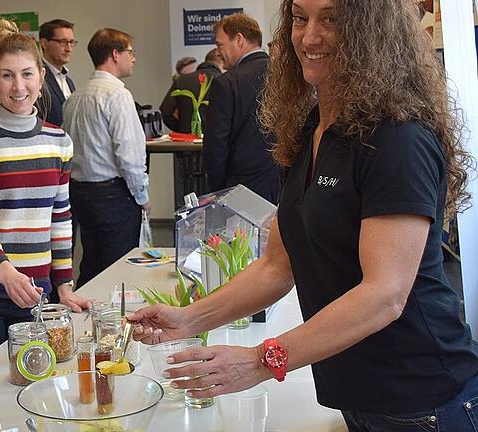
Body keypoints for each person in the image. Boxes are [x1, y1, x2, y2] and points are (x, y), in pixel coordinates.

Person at [129, 1, 478, 430]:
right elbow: (279, 264)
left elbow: (384, 294)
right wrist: (190, 318)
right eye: (300, 18)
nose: (309, 37)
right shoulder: (315, 127)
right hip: (357, 392)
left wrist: (261, 360)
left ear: (372, 30)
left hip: (421, 398)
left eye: (331, 19)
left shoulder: (396, 137)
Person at [0, 19, 90, 368]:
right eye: (7, 75)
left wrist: (64, 284)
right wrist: (6, 272)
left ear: (41, 77)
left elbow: (60, 217)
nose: (18, 86)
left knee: (34, 382)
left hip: (34, 291)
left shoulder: (58, 140)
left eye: (27, 74)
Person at [62, 28, 151, 288]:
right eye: (130, 52)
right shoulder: (118, 95)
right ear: (115, 54)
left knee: (91, 262)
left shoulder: (74, 97)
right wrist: (143, 197)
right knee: (119, 268)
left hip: (80, 192)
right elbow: (130, 156)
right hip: (113, 195)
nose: (134, 58)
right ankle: (114, 325)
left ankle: (83, 322)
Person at [202, 13, 280, 204]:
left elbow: (215, 147)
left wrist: (219, 191)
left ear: (239, 39)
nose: (218, 52)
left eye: (220, 44)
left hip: (240, 192)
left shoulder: (226, 83)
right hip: (284, 188)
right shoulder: (287, 77)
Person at [160, 48, 225, 134]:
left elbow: (165, 111)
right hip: (217, 140)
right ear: (223, 62)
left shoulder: (181, 81)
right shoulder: (224, 82)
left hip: (187, 142)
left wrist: (181, 128)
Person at [37, 19, 76, 127]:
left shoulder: (68, 80)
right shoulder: (37, 78)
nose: (69, 49)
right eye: (63, 42)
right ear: (44, 43)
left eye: (71, 42)